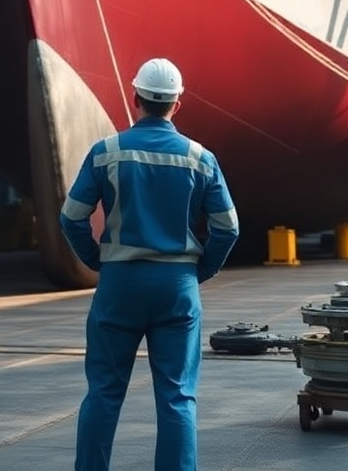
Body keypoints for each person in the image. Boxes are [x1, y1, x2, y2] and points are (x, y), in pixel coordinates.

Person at [60, 58, 239, 471]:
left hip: (119, 284)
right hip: (177, 287)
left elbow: (71, 217)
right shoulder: (201, 158)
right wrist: (200, 271)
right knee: (178, 397)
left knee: (103, 393)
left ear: (134, 97)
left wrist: (96, 260)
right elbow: (228, 228)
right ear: (179, 103)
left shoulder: (105, 153)